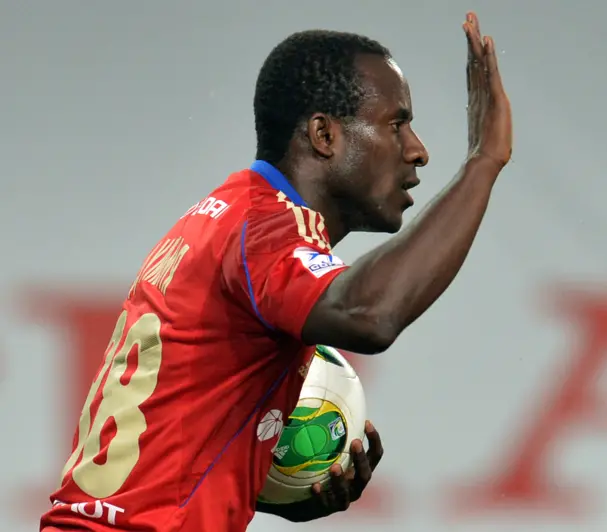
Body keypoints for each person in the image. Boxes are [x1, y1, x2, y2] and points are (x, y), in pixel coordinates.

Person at [40, 11, 511, 532]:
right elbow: (369, 316)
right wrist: (484, 161)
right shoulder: (264, 227)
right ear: (324, 135)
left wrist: (281, 492)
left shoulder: (226, 216)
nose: (417, 151)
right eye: (396, 124)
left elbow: (162, 438)